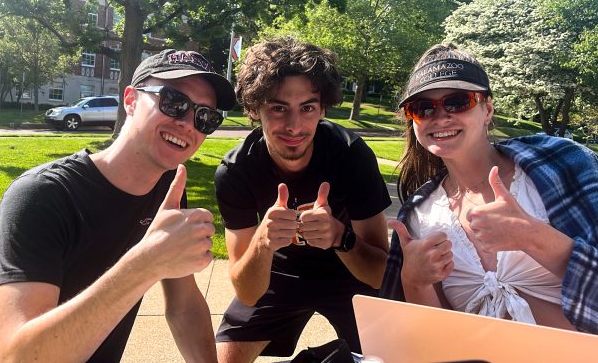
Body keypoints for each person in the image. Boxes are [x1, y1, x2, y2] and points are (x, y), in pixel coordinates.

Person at [0, 49, 236, 362]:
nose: (189, 124)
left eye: (206, 117)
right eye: (174, 102)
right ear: (131, 100)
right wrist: (145, 263)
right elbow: (16, 357)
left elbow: (183, 306)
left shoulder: (168, 189)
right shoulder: (43, 196)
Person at [380, 43, 598, 334]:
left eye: (458, 101)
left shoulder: (562, 167)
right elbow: (435, 338)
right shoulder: (420, 216)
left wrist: (534, 238)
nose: (440, 116)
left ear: (488, 109)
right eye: (422, 108)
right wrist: (414, 281)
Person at [214, 37, 392, 362]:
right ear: (255, 109)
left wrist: (340, 237)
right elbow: (247, 291)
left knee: (397, 355)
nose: (294, 125)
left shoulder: (351, 156)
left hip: (349, 269)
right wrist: (263, 243)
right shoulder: (236, 171)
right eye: (278, 108)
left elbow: (381, 273)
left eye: (307, 108)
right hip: (281, 273)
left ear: (323, 108)